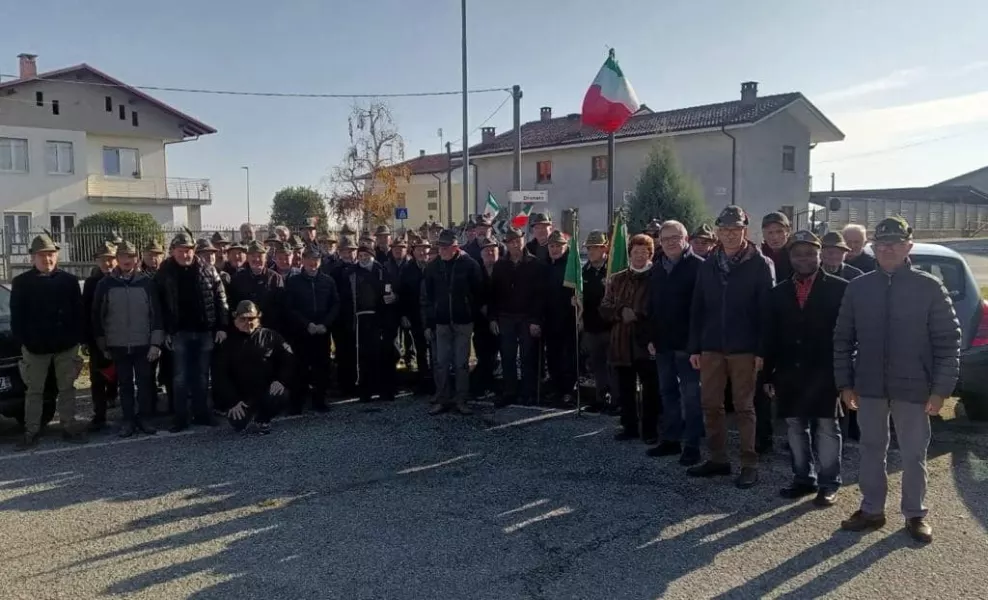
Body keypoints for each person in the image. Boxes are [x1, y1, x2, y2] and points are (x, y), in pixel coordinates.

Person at [834, 216, 961, 544]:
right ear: (874, 247)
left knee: (913, 454)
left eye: (895, 242)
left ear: (908, 246)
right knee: (871, 449)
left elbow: (948, 340)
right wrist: (845, 383)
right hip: (870, 387)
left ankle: (915, 514)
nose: (888, 248)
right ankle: (872, 509)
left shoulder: (929, 288)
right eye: (882, 243)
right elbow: (842, 339)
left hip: (915, 387)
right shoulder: (858, 288)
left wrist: (941, 390)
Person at [687, 205, 775, 488]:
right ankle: (718, 459)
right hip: (712, 346)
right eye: (724, 229)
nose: (729, 234)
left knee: (744, 407)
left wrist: (762, 350)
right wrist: (695, 347)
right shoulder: (709, 264)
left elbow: (766, 312)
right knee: (711, 404)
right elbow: (697, 307)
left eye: (735, 229)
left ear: (744, 231)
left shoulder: (760, 264)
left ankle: (749, 463)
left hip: (744, 348)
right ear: (718, 232)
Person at [763, 231, 848, 507]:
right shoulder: (778, 293)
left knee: (826, 428)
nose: (804, 258)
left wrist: (845, 375)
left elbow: (849, 335)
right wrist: (767, 375)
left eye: (810, 253)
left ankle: (828, 483)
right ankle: (803, 478)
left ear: (819, 254)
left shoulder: (840, 288)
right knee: (795, 428)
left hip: (825, 373)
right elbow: (770, 336)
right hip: (789, 373)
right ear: (790, 257)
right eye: (798, 253)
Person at [11, 233, 86, 450]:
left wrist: (75, 340)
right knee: (34, 391)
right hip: (35, 348)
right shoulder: (22, 283)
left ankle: (69, 426)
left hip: (65, 346)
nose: (47, 259)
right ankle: (31, 431)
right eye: (42, 255)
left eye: (51, 254)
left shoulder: (69, 281)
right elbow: (18, 318)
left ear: (57, 256)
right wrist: (26, 342)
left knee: (67, 388)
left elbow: (78, 314)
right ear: (32, 258)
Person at [154, 231, 229, 433]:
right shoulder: (164, 272)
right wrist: (165, 332)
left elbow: (220, 299)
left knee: (202, 376)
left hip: (205, 332)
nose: (185, 255)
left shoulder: (208, 269)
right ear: (173, 252)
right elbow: (158, 305)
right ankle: (180, 418)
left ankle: (202, 414)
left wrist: (222, 326)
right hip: (179, 333)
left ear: (193, 250)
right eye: (180, 251)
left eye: (188, 250)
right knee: (179, 378)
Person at [92, 241, 164, 438]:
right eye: (123, 256)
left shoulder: (147, 283)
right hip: (118, 344)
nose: (127, 260)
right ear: (117, 259)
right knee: (124, 384)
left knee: (145, 383)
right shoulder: (105, 284)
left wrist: (155, 343)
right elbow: (98, 316)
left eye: (131, 256)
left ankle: (145, 418)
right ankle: (128, 420)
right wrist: (102, 344)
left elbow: (156, 315)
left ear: (137, 259)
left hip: (143, 344)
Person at [646, 220, 704, 466]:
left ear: (685, 238)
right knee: (668, 393)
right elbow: (652, 307)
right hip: (663, 344)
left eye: (674, 237)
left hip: (689, 347)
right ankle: (671, 440)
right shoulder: (657, 268)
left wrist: (698, 346)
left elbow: (704, 309)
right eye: (665, 238)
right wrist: (651, 337)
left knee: (691, 396)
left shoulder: (700, 267)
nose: (670, 242)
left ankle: (692, 445)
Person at [600, 234, 660, 444]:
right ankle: (629, 427)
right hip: (621, 343)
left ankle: (651, 429)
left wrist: (638, 313)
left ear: (650, 254)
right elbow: (605, 307)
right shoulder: (617, 278)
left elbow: (659, 309)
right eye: (636, 251)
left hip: (647, 343)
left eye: (644, 251)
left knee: (651, 390)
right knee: (625, 389)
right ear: (630, 253)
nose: (640, 255)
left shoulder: (657, 277)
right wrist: (620, 312)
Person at [423, 229, 483, 415]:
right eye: (440, 247)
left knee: (461, 363)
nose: (441, 250)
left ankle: (461, 400)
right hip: (441, 323)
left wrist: (469, 313)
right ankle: (442, 399)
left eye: (445, 247)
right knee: (441, 362)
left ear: (455, 248)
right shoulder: (432, 267)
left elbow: (478, 293)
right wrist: (429, 322)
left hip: (463, 322)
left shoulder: (470, 265)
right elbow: (428, 298)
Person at [216, 301, 293, 435]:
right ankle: (246, 413)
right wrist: (232, 400)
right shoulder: (227, 342)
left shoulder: (271, 336)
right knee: (238, 423)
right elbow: (220, 374)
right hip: (240, 397)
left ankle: (263, 419)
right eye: (243, 319)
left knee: (281, 393)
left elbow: (289, 359)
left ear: (258, 318)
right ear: (235, 319)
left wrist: (281, 380)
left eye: (251, 318)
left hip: (265, 391)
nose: (248, 322)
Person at [490, 228, 545, 407]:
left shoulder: (534, 264)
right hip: (505, 317)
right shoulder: (500, 265)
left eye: (518, 240)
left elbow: (539, 295)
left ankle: (528, 392)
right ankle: (510, 392)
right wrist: (493, 318)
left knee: (528, 356)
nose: (515, 244)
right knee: (508, 356)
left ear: (523, 240)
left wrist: (535, 320)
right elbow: (493, 294)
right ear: (506, 244)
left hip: (527, 317)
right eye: (511, 241)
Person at [284, 246, 339, 413]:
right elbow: (290, 308)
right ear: (303, 261)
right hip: (302, 332)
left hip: (322, 332)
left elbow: (335, 304)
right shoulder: (293, 282)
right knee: (299, 368)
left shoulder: (328, 281)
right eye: (309, 260)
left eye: (316, 260)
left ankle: (319, 401)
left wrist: (325, 324)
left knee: (321, 368)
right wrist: (307, 324)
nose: (312, 263)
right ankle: (296, 404)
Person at [352, 243, 399, 403]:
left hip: (382, 318)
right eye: (361, 256)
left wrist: (394, 297)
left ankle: (386, 391)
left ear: (372, 256)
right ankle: (366, 392)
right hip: (361, 319)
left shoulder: (383, 271)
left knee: (385, 354)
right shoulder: (351, 273)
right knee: (364, 357)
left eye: (366, 256)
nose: (363, 259)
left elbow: (395, 290)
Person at [83, 241, 119, 432]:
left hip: (121, 336)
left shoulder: (123, 279)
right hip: (98, 337)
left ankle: (114, 398)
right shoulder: (91, 283)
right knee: (97, 378)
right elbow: (86, 312)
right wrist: (88, 339)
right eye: (103, 260)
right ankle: (100, 415)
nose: (108, 263)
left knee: (119, 374)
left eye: (111, 259)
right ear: (97, 261)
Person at [544, 230, 578, 406]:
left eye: (558, 246)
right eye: (552, 246)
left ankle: (568, 392)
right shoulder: (546, 266)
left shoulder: (571, 266)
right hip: (550, 320)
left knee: (568, 359)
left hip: (568, 320)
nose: (555, 249)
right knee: (553, 357)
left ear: (566, 247)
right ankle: (557, 389)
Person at [581, 230, 614, 413]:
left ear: (604, 249)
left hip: (610, 327)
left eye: (595, 248)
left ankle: (616, 401)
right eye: (589, 248)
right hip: (591, 326)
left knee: (613, 366)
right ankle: (601, 398)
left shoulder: (612, 270)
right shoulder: (584, 272)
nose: (591, 251)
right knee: (598, 366)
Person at [399, 237, 434, 395]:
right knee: (420, 350)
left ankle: (436, 381)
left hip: (432, 316)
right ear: (413, 251)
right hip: (414, 315)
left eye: (425, 249)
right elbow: (402, 293)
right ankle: (423, 381)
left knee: (435, 350)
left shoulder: (434, 267)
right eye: (419, 249)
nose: (422, 252)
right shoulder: (407, 269)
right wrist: (404, 314)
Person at [229, 240, 286, 335]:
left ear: (266, 258)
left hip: (269, 330)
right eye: (253, 256)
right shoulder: (237, 278)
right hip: (244, 331)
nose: (256, 259)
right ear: (247, 258)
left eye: (260, 256)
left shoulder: (275, 278)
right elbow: (232, 304)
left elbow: (281, 306)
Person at [470, 235, 501, 400]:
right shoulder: (477, 272)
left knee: (496, 356)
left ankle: (491, 386)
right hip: (482, 322)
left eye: (493, 250)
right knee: (484, 355)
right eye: (486, 250)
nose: (490, 253)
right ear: (481, 254)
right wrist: (489, 318)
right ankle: (479, 387)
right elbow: (476, 297)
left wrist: (494, 317)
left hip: (500, 319)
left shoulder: (503, 270)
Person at [330, 236, 359, 397]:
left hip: (360, 318)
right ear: (340, 253)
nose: (348, 254)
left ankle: (361, 383)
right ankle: (345, 386)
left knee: (359, 352)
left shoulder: (362, 267)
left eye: (352, 251)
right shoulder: (334, 271)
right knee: (343, 353)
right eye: (345, 251)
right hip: (341, 319)